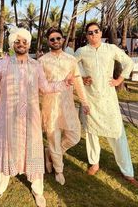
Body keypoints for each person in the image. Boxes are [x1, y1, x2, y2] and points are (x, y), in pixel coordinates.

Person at [0, 27, 72, 207]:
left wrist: (64, 83)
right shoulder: (3, 64)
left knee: (33, 152)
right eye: (17, 42)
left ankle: (38, 190)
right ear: (12, 44)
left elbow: (46, 88)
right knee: (7, 153)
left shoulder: (36, 65)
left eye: (24, 42)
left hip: (30, 118)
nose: (21, 44)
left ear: (28, 44)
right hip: (9, 119)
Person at [75, 22, 138, 188]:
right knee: (91, 133)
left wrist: (120, 79)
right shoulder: (82, 51)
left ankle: (127, 172)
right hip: (90, 98)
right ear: (86, 36)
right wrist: (82, 77)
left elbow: (128, 63)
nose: (93, 35)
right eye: (89, 33)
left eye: (96, 31)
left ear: (100, 33)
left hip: (108, 99)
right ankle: (94, 163)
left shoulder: (111, 48)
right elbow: (72, 66)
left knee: (118, 133)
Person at [39, 27, 90, 185]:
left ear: (62, 39)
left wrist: (85, 102)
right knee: (54, 138)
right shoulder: (42, 61)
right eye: (52, 39)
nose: (55, 41)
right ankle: (59, 170)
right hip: (50, 104)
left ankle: (51, 154)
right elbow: (40, 86)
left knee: (74, 136)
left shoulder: (71, 60)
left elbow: (78, 82)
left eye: (58, 38)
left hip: (67, 104)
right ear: (48, 42)